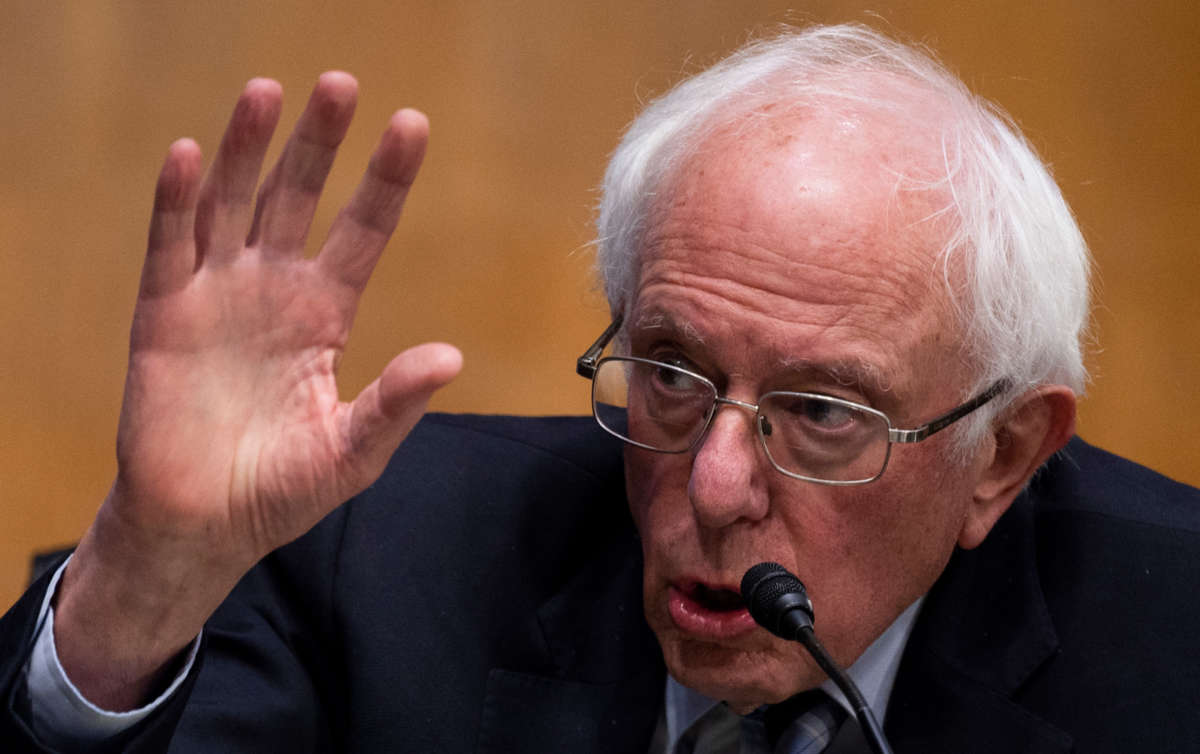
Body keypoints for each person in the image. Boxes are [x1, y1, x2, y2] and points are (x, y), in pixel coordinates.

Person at [3, 23, 1198, 753]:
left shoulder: (1170, 645)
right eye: (672, 374)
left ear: (1001, 453)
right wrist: (134, 593)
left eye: (824, 415)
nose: (717, 487)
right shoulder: (387, 551)